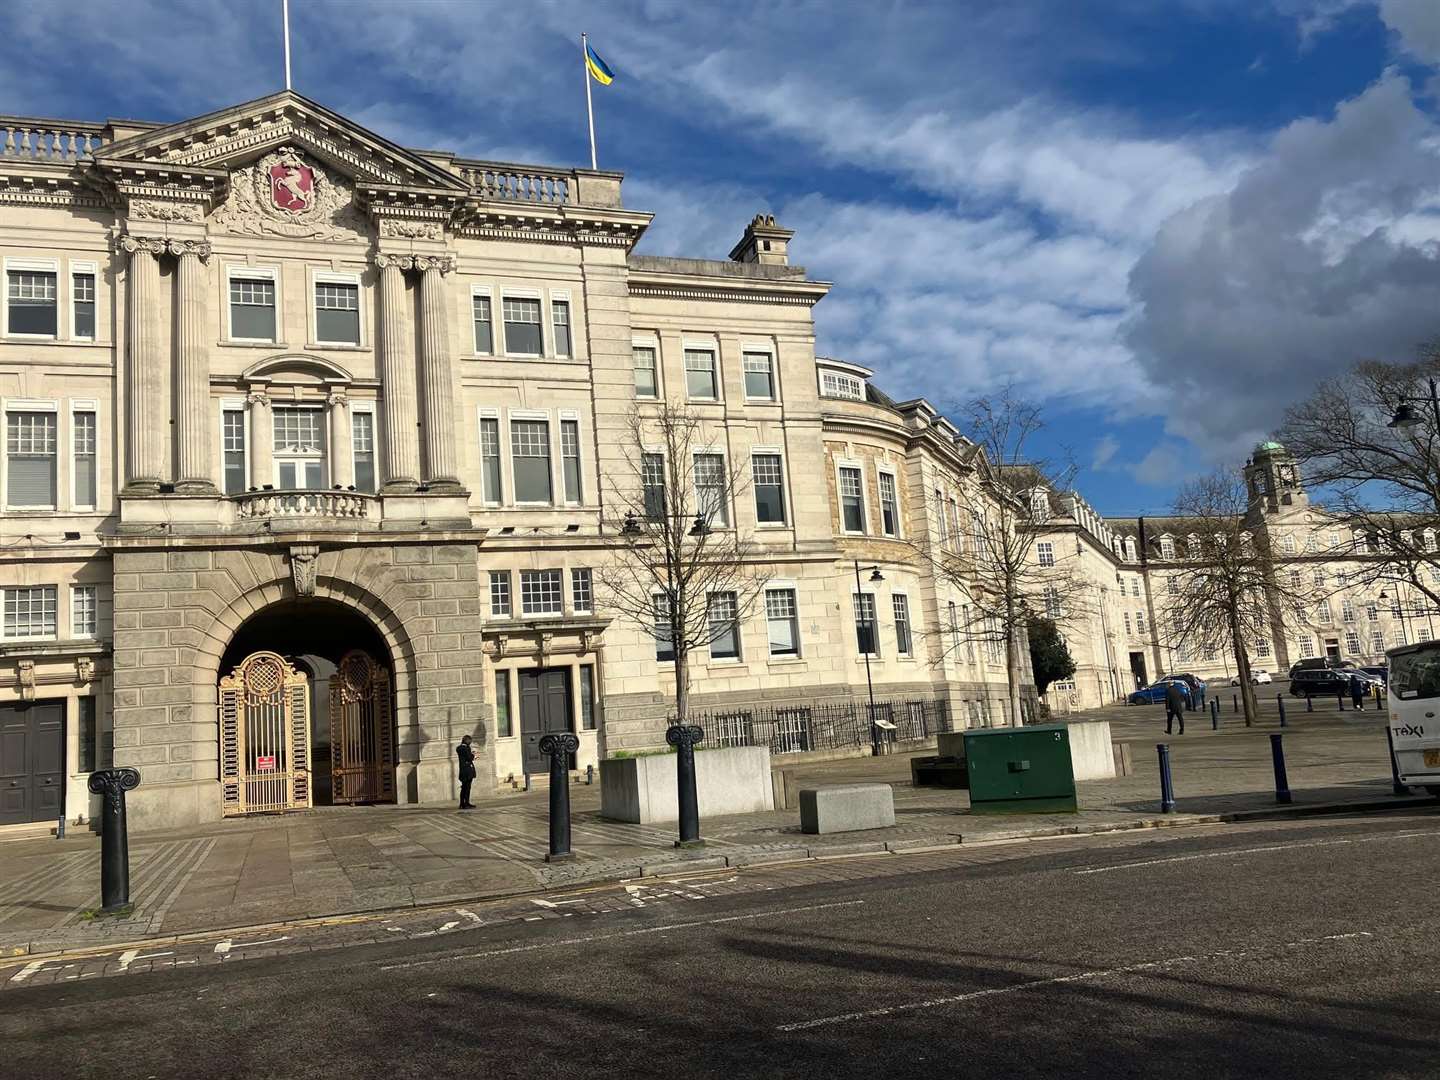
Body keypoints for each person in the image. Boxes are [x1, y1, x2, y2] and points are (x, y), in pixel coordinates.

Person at [456, 734, 476, 809]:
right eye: (470, 741)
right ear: (467, 741)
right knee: (467, 788)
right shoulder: (465, 748)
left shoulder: (459, 748)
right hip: (467, 770)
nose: (470, 742)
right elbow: (469, 758)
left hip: (463, 770)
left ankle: (462, 803)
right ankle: (465, 803)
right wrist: (473, 755)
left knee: (464, 787)